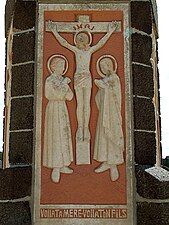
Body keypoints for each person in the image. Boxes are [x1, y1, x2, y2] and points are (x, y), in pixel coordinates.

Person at [46, 20, 118, 144]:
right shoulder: (76, 50)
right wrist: (54, 31)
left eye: (82, 39)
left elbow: (101, 43)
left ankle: (86, 128)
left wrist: (110, 31)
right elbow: (64, 43)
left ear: (87, 41)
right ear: (76, 41)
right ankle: (80, 128)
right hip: (78, 77)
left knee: (87, 103)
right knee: (80, 104)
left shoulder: (89, 51)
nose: (81, 41)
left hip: (87, 77)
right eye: (78, 39)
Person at [43, 54, 74, 183]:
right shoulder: (50, 80)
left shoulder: (62, 80)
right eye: (60, 65)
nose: (62, 68)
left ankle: (63, 164)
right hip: (53, 109)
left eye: (63, 65)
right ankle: (55, 167)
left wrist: (64, 86)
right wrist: (64, 85)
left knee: (64, 134)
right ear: (53, 67)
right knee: (55, 136)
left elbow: (70, 96)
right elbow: (51, 95)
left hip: (62, 108)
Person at [93, 55, 124, 182]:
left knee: (112, 134)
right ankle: (106, 161)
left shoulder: (114, 78)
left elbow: (110, 90)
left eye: (105, 66)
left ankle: (114, 164)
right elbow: (100, 95)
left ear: (110, 66)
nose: (103, 68)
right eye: (101, 67)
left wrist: (101, 85)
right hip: (104, 112)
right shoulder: (107, 79)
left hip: (112, 112)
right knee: (103, 135)